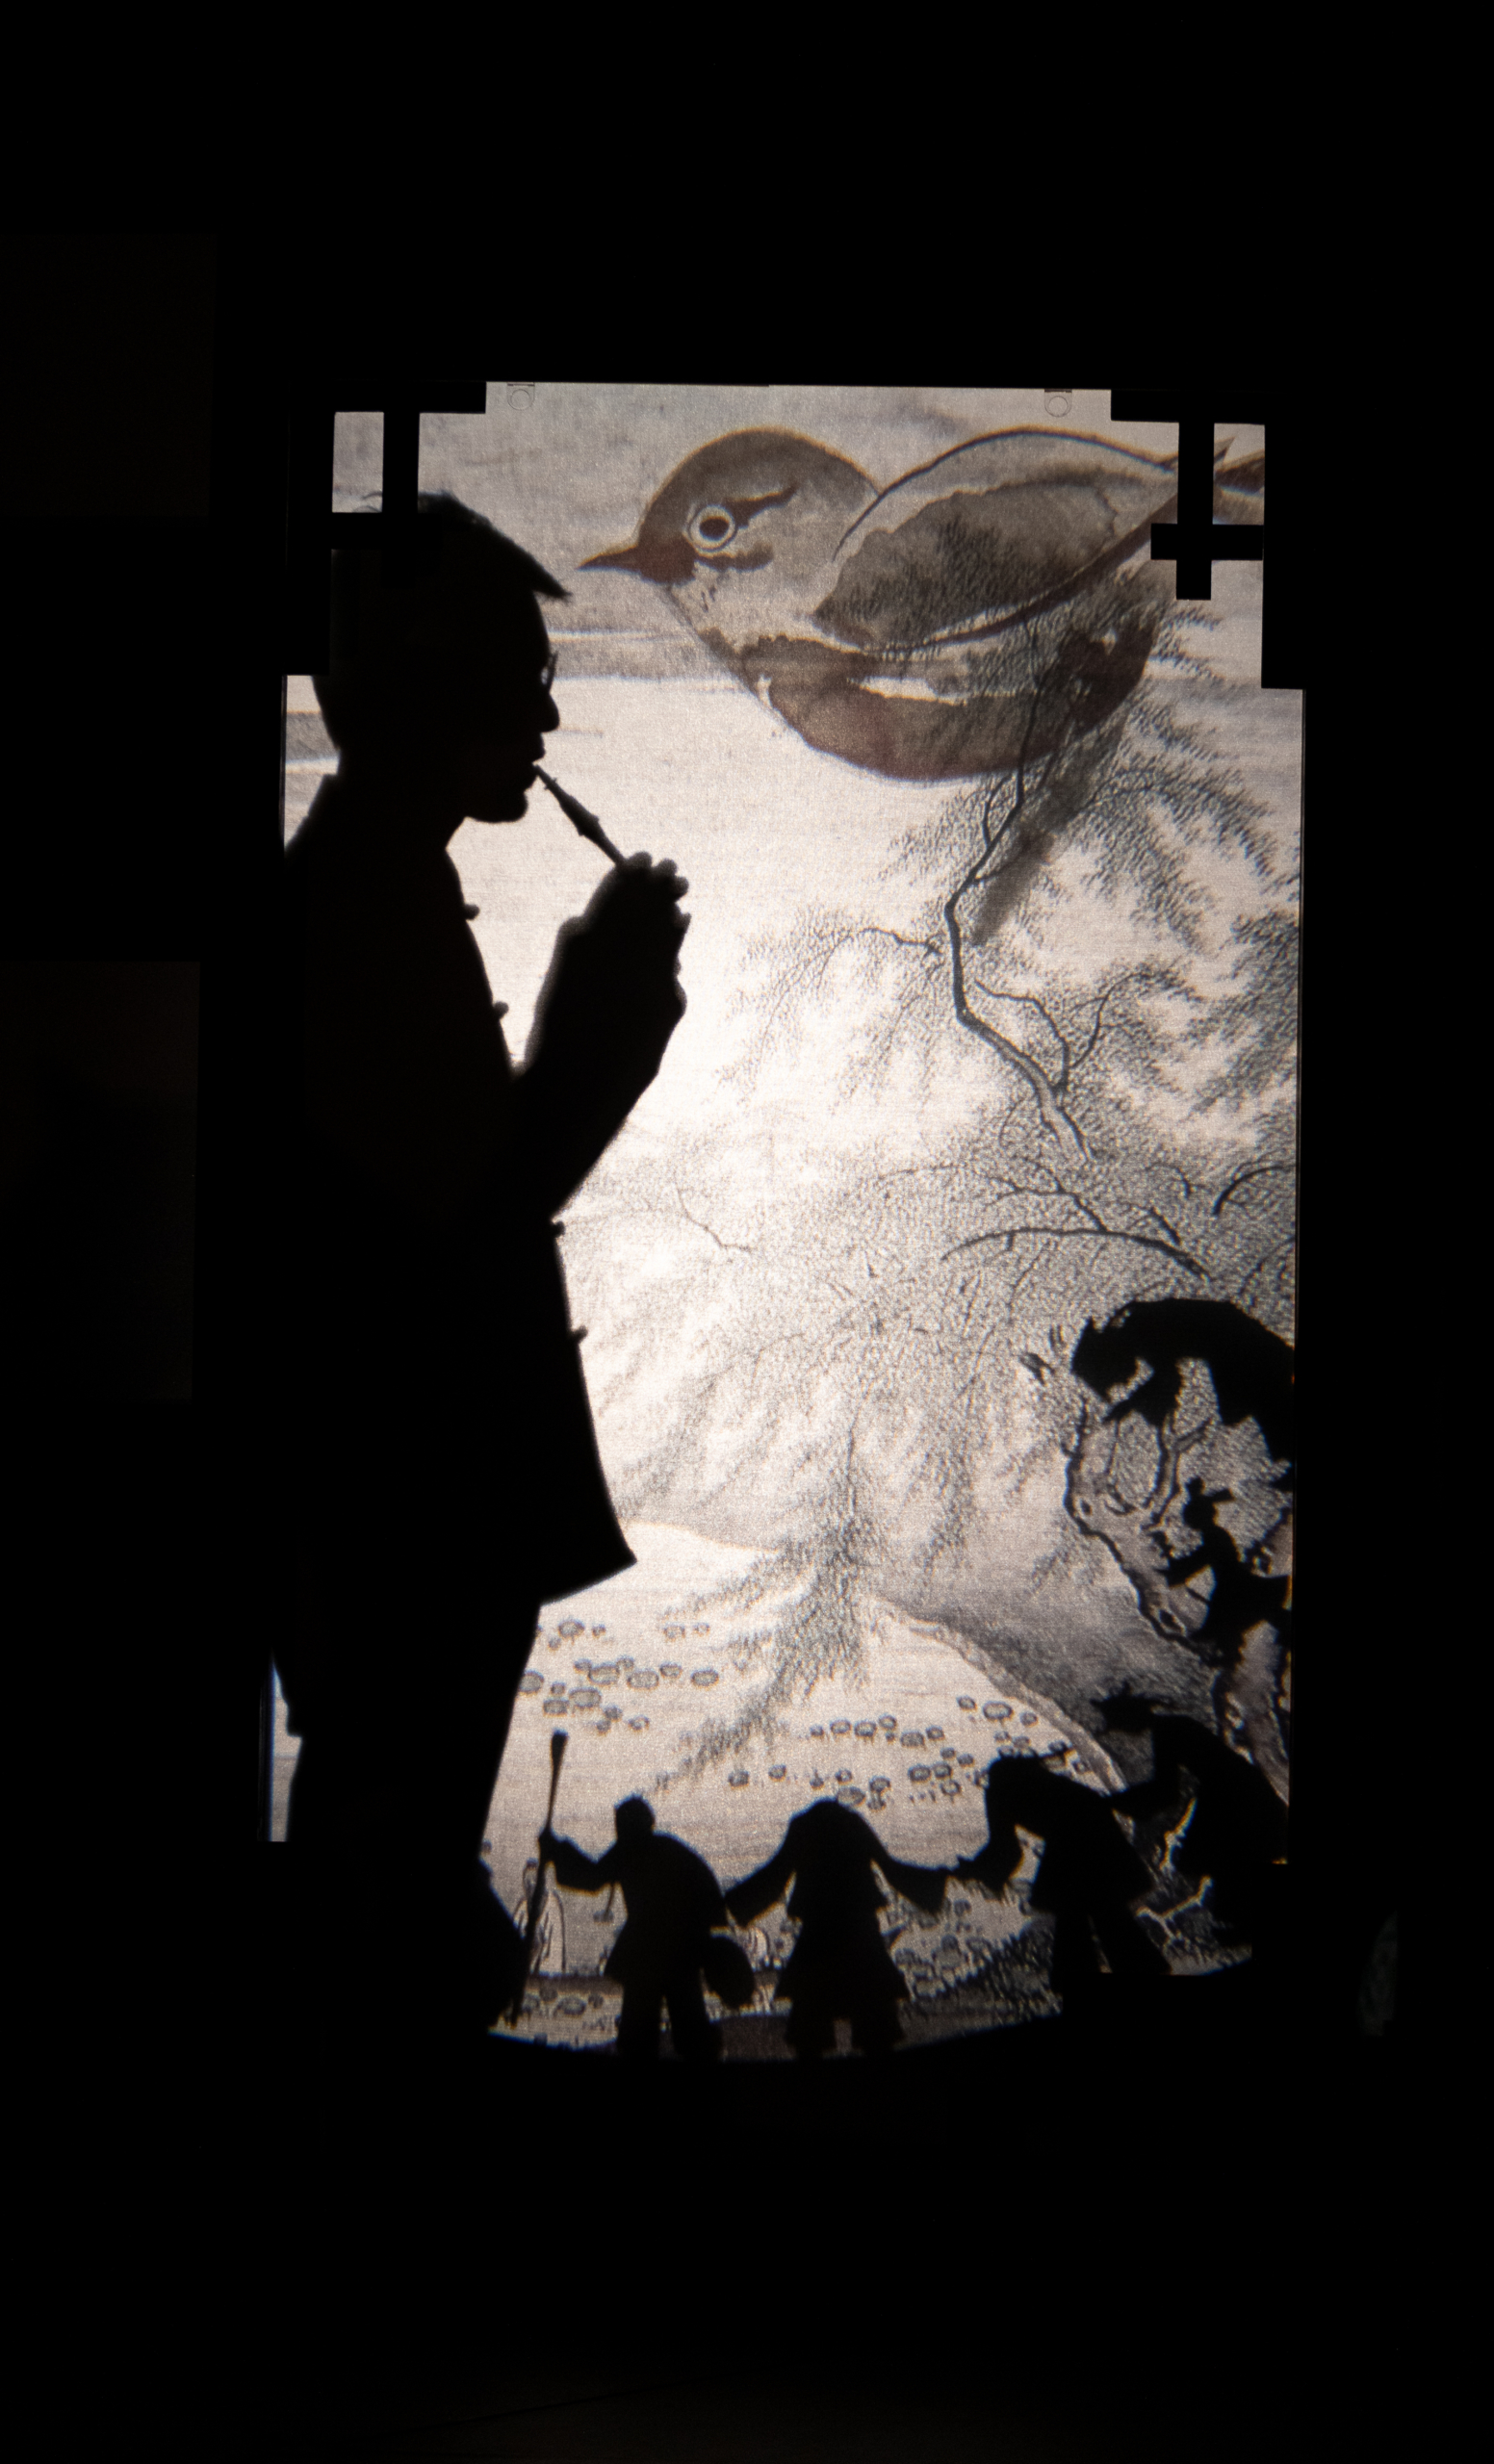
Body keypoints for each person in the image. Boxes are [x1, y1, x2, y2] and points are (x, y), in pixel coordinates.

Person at [273, 494, 689, 2032]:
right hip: (407, 1528)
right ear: (425, 692)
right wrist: (602, 1039)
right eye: (519, 683)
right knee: (386, 1897)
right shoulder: (351, 922)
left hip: (404, 1533)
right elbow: (466, 1224)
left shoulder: (369, 894)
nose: (545, 721)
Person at [726, 1799, 946, 2060]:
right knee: (875, 2024)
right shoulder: (852, 1824)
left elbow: (776, 1875)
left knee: (810, 2028)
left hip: (818, 1935)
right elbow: (890, 1868)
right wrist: (937, 1881)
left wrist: (732, 1903)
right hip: (860, 1934)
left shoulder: (804, 1827)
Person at [956, 1749, 1171, 2015]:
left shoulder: (1000, 1791)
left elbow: (1006, 1850)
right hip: (1098, 1840)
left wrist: (974, 1869)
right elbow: (1008, 1850)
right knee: (1106, 1917)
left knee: (1080, 1921)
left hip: (1074, 1845)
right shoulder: (1047, 1782)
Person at [540, 1797, 748, 2062]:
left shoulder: (629, 1850)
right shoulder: (668, 1847)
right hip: (681, 1950)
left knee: (641, 2033)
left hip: (647, 1952)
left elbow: (592, 1877)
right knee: (686, 2025)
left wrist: (556, 1850)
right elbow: (707, 1890)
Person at [1093, 1685, 1289, 1957]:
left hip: (1231, 1795)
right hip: (1234, 1790)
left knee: (1227, 1860)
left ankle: (1246, 1925)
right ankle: (1244, 1925)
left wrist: (1113, 1802)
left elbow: (1166, 1790)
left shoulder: (1167, 1731)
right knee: (1234, 1861)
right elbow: (1166, 1790)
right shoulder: (1172, 1726)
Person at [512, 1858, 567, 1987]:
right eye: (527, 1882)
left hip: (543, 1979)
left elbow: (555, 1955)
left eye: (534, 1881)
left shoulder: (553, 1905)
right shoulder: (522, 1906)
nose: (530, 1886)